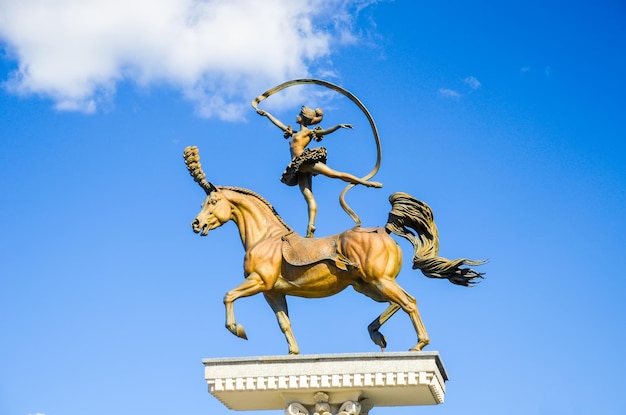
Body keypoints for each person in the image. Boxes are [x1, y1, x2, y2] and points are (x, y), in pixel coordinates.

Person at [257, 105, 382, 237]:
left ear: (304, 118)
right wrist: (266, 114)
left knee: (335, 174)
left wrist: (338, 126)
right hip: (298, 168)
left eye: (299, 114)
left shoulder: (308, 132)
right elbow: (279, 124)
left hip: (305, 161)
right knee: (309, 197)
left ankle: (365, 183)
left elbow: (325, 131)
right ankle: (311, 227)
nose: (296, 116)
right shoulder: (294, 133)